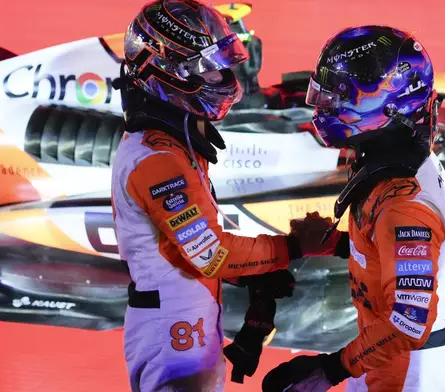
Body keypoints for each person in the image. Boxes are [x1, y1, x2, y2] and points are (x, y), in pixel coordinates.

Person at [110, 1, 335, 391]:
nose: (224, 75)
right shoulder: (158, 159)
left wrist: (259, 276)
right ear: (171, 72)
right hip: (174, 333)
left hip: (184, 318)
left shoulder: (173, 139)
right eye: (210, 65)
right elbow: (212, 254)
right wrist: (294, 247)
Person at [262, 26, 445, 392]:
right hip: (380, 357)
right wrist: (336, 244)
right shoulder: (396, 160)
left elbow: (409, 321)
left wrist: (329, 370)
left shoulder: (405, 202)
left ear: (384, 102)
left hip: (406, 371)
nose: (323, 107)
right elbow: (389, 257)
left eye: (338, 94)